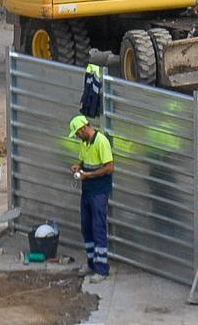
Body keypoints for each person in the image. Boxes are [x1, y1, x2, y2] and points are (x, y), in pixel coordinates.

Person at [69, 115, 115, 276]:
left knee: (98, 227)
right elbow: (83, 161)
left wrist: (89, 175)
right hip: (87, 191)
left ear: (83, 129)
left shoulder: (101, 142)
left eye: (77, 133)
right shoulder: (84, 143)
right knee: (86, 225)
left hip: (98, 191)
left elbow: (109, 167)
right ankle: (91, 263)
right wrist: (78, 166)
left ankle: (101, 268)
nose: (76, 136)